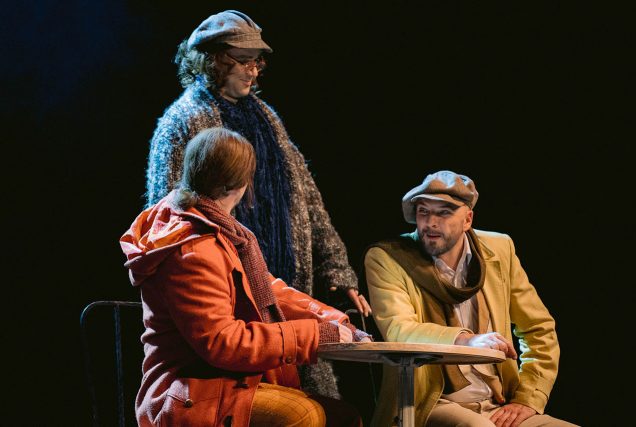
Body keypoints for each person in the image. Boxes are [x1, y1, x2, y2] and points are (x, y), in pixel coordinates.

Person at [144, 9, 370, 398]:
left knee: (319, 400)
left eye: (256, 62)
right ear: (214, 61)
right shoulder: (182, 121)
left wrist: (337, 270)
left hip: (282, 281)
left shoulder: (266, 118)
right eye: (243, 60)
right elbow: (170, 213)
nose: (253, 71)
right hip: (223, 290)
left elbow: (307, 196)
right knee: (271, 401)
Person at [120, 128, 370, 427]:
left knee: (343, 417)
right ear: (241, 184)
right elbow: (222, 342)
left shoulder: (224, 233)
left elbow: (267, 291)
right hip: (191, 391)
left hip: (224, 382)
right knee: (304, 415)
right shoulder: (193, 248)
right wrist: (313, 336)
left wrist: (334, 323)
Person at [364, 170, 576, 427]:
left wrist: (528, 398)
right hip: (432, 402)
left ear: (467, 219)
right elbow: (400, 329)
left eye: (444, 213)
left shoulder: (499, 249)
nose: (431, 223)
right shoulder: (390, 257)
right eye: (423, 211)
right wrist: (468, 341)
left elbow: (539, 327)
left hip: (498, 402)